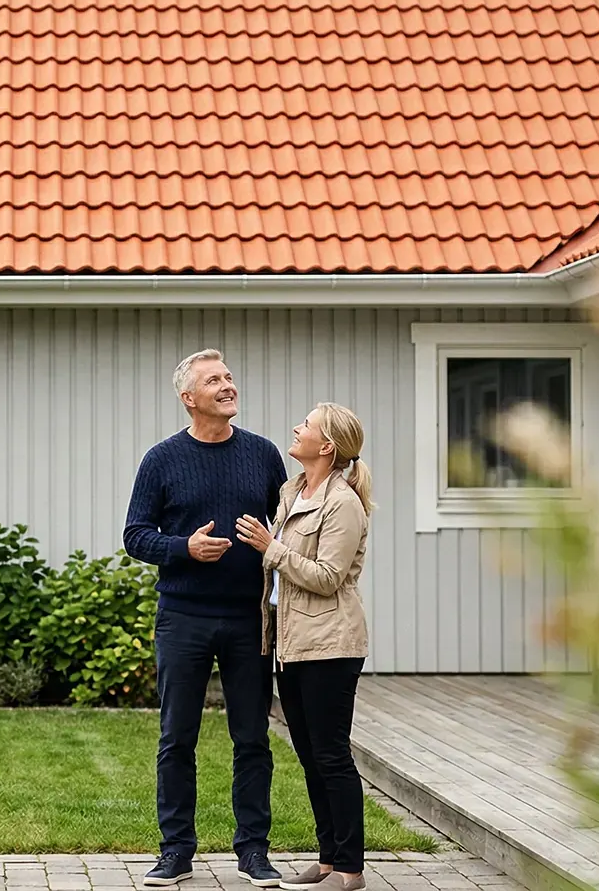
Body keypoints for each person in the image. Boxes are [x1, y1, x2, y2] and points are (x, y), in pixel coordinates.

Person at [123, 349, 288, 888]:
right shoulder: (161, 460)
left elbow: (289, 526)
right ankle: (175, 851)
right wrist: (183, 548)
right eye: (213, 380)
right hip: (183, 617)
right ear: (188, 398)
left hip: (248, 619)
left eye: (229, 376)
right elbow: (135, 536)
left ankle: (254, 851)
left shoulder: (263, 456)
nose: (227, 384)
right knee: (177, 738)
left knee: (253, 738)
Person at [235, 402, 372, 891]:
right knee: (312, 755)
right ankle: (330, 858)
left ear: (327, 445)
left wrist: (269, 548)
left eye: (307, 425)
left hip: (331, 644)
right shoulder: (292, 491)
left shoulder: (343, 503)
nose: (296, 428)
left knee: (332, 754)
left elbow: (329, 577)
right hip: (292, 644)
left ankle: (352, 869)